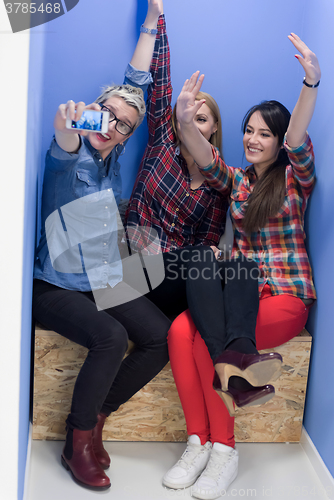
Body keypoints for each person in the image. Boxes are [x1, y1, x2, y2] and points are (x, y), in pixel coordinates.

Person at [162, 34, 320, 499]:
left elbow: (297, 140)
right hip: (243, 291)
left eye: (264, 133)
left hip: (286, 296)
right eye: (249, 130)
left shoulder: (295, 177)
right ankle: (198, 442)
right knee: (178, 331)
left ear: (278, 142)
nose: (253, 139)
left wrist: (310, 81)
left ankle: (224, 452)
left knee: (208, 346)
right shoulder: (237, 181)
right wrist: (185, 117)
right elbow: (204, 153)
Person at [32, 0, 171, 491]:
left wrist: (152, 21)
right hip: (55, 286)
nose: (111, 125)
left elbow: (135, 84)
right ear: (95, 109)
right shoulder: (70, 156)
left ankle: (98, 418)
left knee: (160, 335)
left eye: (123, 124)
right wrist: (68, 125)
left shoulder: (113, 156)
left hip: (101, 279)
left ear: (129, 135)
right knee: (110, 337)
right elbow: (65, 138)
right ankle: (76, 442)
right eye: (105, 114)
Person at [125, 9, 229, 318]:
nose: (194, 125)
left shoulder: (218, 183)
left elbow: (207, 241)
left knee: (221, 264)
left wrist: (208, 254)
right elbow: (159, 80)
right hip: (137, 269)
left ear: (213, 129)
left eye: (202, 119)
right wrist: (158, 17)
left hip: (177, 280)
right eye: (189, 117)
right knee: (201, 260)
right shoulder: (162, 142)